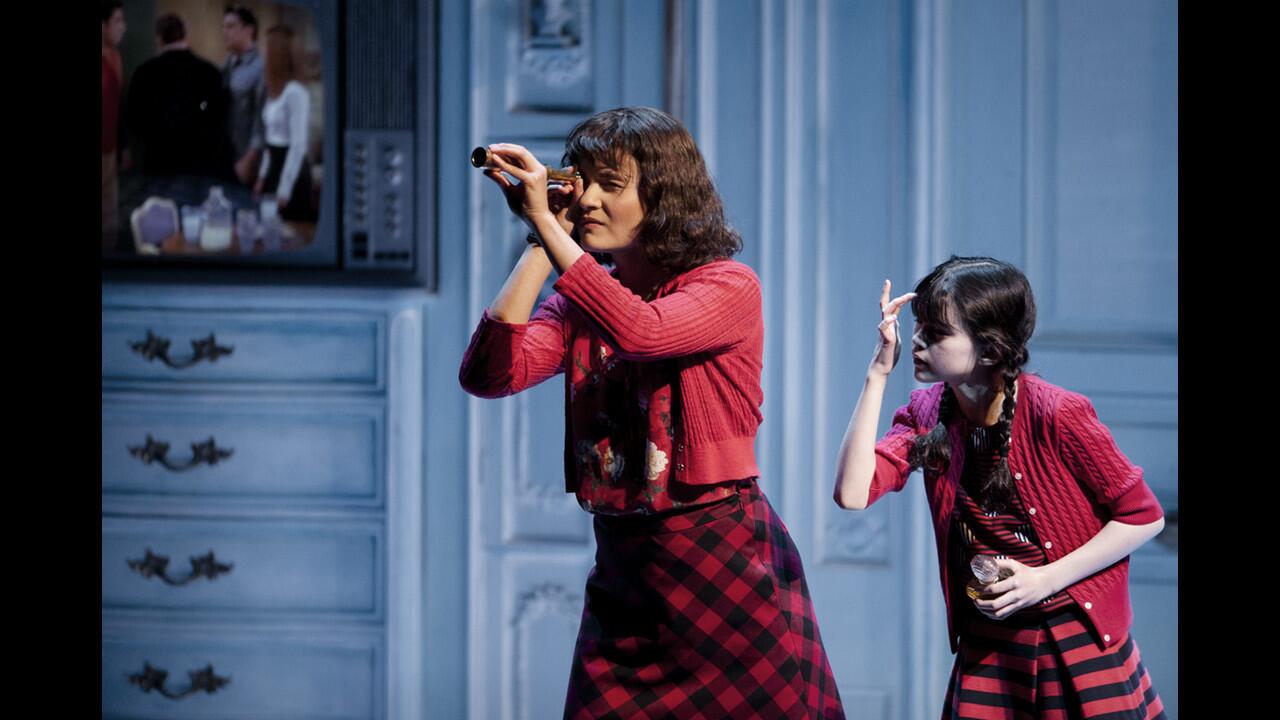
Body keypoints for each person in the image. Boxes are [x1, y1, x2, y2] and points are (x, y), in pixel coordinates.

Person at [459, 106, 845, 719]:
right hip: (627, 572)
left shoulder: (727, 286)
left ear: (662, 196)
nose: (588, 200)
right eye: (582, 182)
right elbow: (488, 374)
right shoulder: (582, 300)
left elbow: (642, 332)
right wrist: (541, 239)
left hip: (722, 565)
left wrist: (551, 232)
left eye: (612, 185)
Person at [832, 257, 1166, 719]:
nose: (916, 340)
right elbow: (852, 493)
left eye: (936, 332)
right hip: (990, 644)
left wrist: (1043, 581)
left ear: (989, 351)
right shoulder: (927, 414)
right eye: (917, 326)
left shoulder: (1057, 413)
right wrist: (876, 374)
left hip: (1074, 634)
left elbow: (1144, 515)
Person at [122, 14, 231, 178]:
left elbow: (134, 117)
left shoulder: (145, 72)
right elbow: (219, 115)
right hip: (200, 159)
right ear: (185, 35)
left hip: (158, 157)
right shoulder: (209, 72)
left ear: (159, 38)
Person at [254, 24, 315, 221]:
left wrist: (284, 190)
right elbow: (270, 139)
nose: (261, 52)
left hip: (291, 171)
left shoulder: (295, 92)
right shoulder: (273, 90)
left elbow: (298, 146)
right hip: (274, 164)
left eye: (265, 47)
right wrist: (262, 177)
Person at [222, 5, 265, 185]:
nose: (224, 32)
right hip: (224, 156)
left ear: (248, 30)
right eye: (223, 27)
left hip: (246, 159)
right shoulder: (228, 64)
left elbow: (261, 118)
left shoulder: (260, 68)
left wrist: (249, 159)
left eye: (230, 26)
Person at [101, 0, 126, 248]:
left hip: (108, 152)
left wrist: (122, 146)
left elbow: (118, 106)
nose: (123, 27)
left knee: (109, 222)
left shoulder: (114, 57)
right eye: (117, 21)